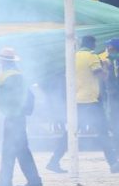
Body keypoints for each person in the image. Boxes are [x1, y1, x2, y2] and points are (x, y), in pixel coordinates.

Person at [48, 35, 118, 173]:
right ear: (92, 44)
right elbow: (99, 74)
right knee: (103, 133)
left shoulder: (74, 56)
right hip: (91, 100)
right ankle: (114, 164)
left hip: (77, 100)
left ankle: (53, 161)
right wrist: (106, 69)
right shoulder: (91, 56)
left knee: (70, 133)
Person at [0, 48, 42, 186]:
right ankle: (33, 180)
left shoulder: (5, 76)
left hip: (12, 116)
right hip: (18, 116)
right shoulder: (18, 75)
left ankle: (6, 182)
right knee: (20, 149)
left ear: (2, 61)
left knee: (10, 149)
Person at [101, 39, 119, 151]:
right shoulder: (108, 61)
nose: (108, 50)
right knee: (114, 122)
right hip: (112, 96)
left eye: (110, 48)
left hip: (114, 95)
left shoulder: (114, 60)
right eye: (108, 48)